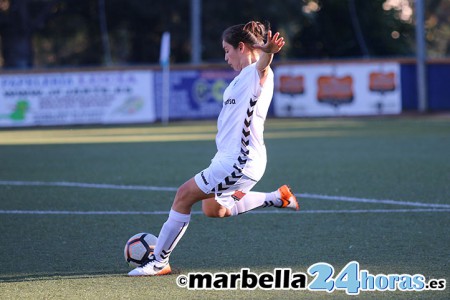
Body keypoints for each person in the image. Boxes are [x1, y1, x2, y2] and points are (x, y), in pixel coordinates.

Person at [128, 21, 299, 276]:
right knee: (213, 209)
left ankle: (159, 261)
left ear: (241, 47)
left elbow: (263, 65)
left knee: (183, 195)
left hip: (240, 161)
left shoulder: (256, 72)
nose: (226, 57)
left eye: (227, 50)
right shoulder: (240, 79)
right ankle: (276, 197)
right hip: (230, 158)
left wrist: (268, 51)